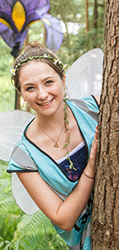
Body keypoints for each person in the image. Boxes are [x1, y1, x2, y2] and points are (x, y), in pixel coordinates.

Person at [7, 42, 99, 250]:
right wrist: (90, 170)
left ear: (63, 80)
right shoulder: (24, 157)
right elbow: (63, 218)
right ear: (22, 94)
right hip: (88, 241)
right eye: (30, 88)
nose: (42, 94)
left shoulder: (96, 109)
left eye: (48, 82)